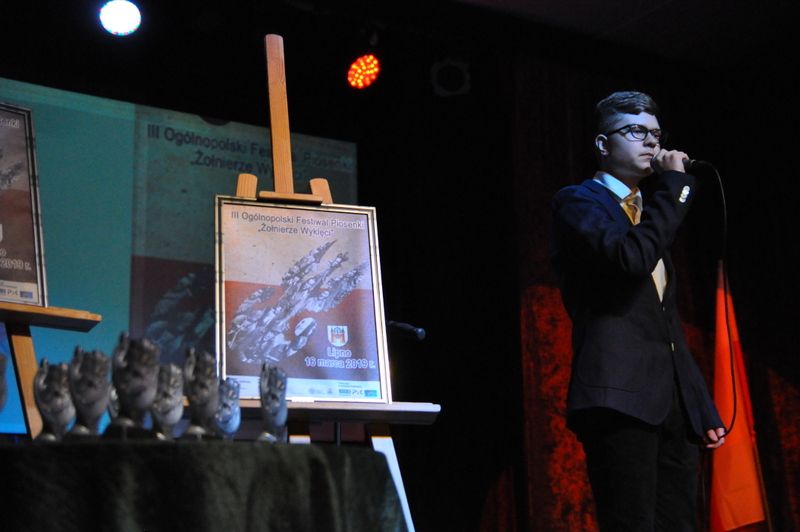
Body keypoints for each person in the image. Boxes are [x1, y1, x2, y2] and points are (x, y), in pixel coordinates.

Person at [550, 91, 726, 531]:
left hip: (670, 403)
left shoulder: (650, 216)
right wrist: (675, 186)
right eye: (635, 132)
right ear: (602, 144)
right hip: (618, 398)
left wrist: (698, 402)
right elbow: (630, 259)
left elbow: (665, 323)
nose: (651, 143)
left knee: (680, 523)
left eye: (656, 134)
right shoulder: (579, 202)